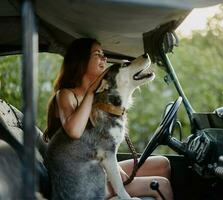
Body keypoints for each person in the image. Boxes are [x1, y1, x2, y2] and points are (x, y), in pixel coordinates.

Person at [44, 38, 173, 200]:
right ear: (81, 61)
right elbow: (74, 131)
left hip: (99, 166)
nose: (104, 59)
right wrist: (91, 91)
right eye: (98, 54)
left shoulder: (103, 96)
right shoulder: (66, 94)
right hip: (84, 179)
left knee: (163, 163)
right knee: (162, 185)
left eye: (104, 54)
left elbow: (104, 148)